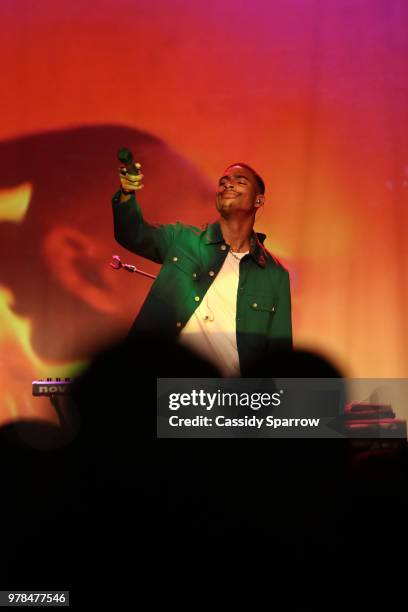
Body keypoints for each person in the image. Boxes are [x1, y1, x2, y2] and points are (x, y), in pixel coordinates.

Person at [113, 161, 292, 376]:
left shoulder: (274, 274)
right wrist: (126, 193)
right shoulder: (182, 239)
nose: (228, 185)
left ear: (258, 200)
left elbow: (280, 354)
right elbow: (133, 233)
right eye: (223, 182)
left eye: (240, 181)